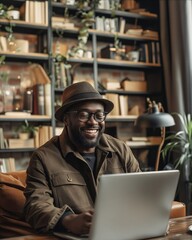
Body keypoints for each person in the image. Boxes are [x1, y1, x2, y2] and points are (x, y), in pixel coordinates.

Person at [24, 81, 141, 235]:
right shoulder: (43, 158)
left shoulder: (121, 150)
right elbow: (35, 206)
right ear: (66, 119)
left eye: (99, 115)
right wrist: (68, 220)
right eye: (83, 114)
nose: (93, 122)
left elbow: (141, 192)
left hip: (123, 232)